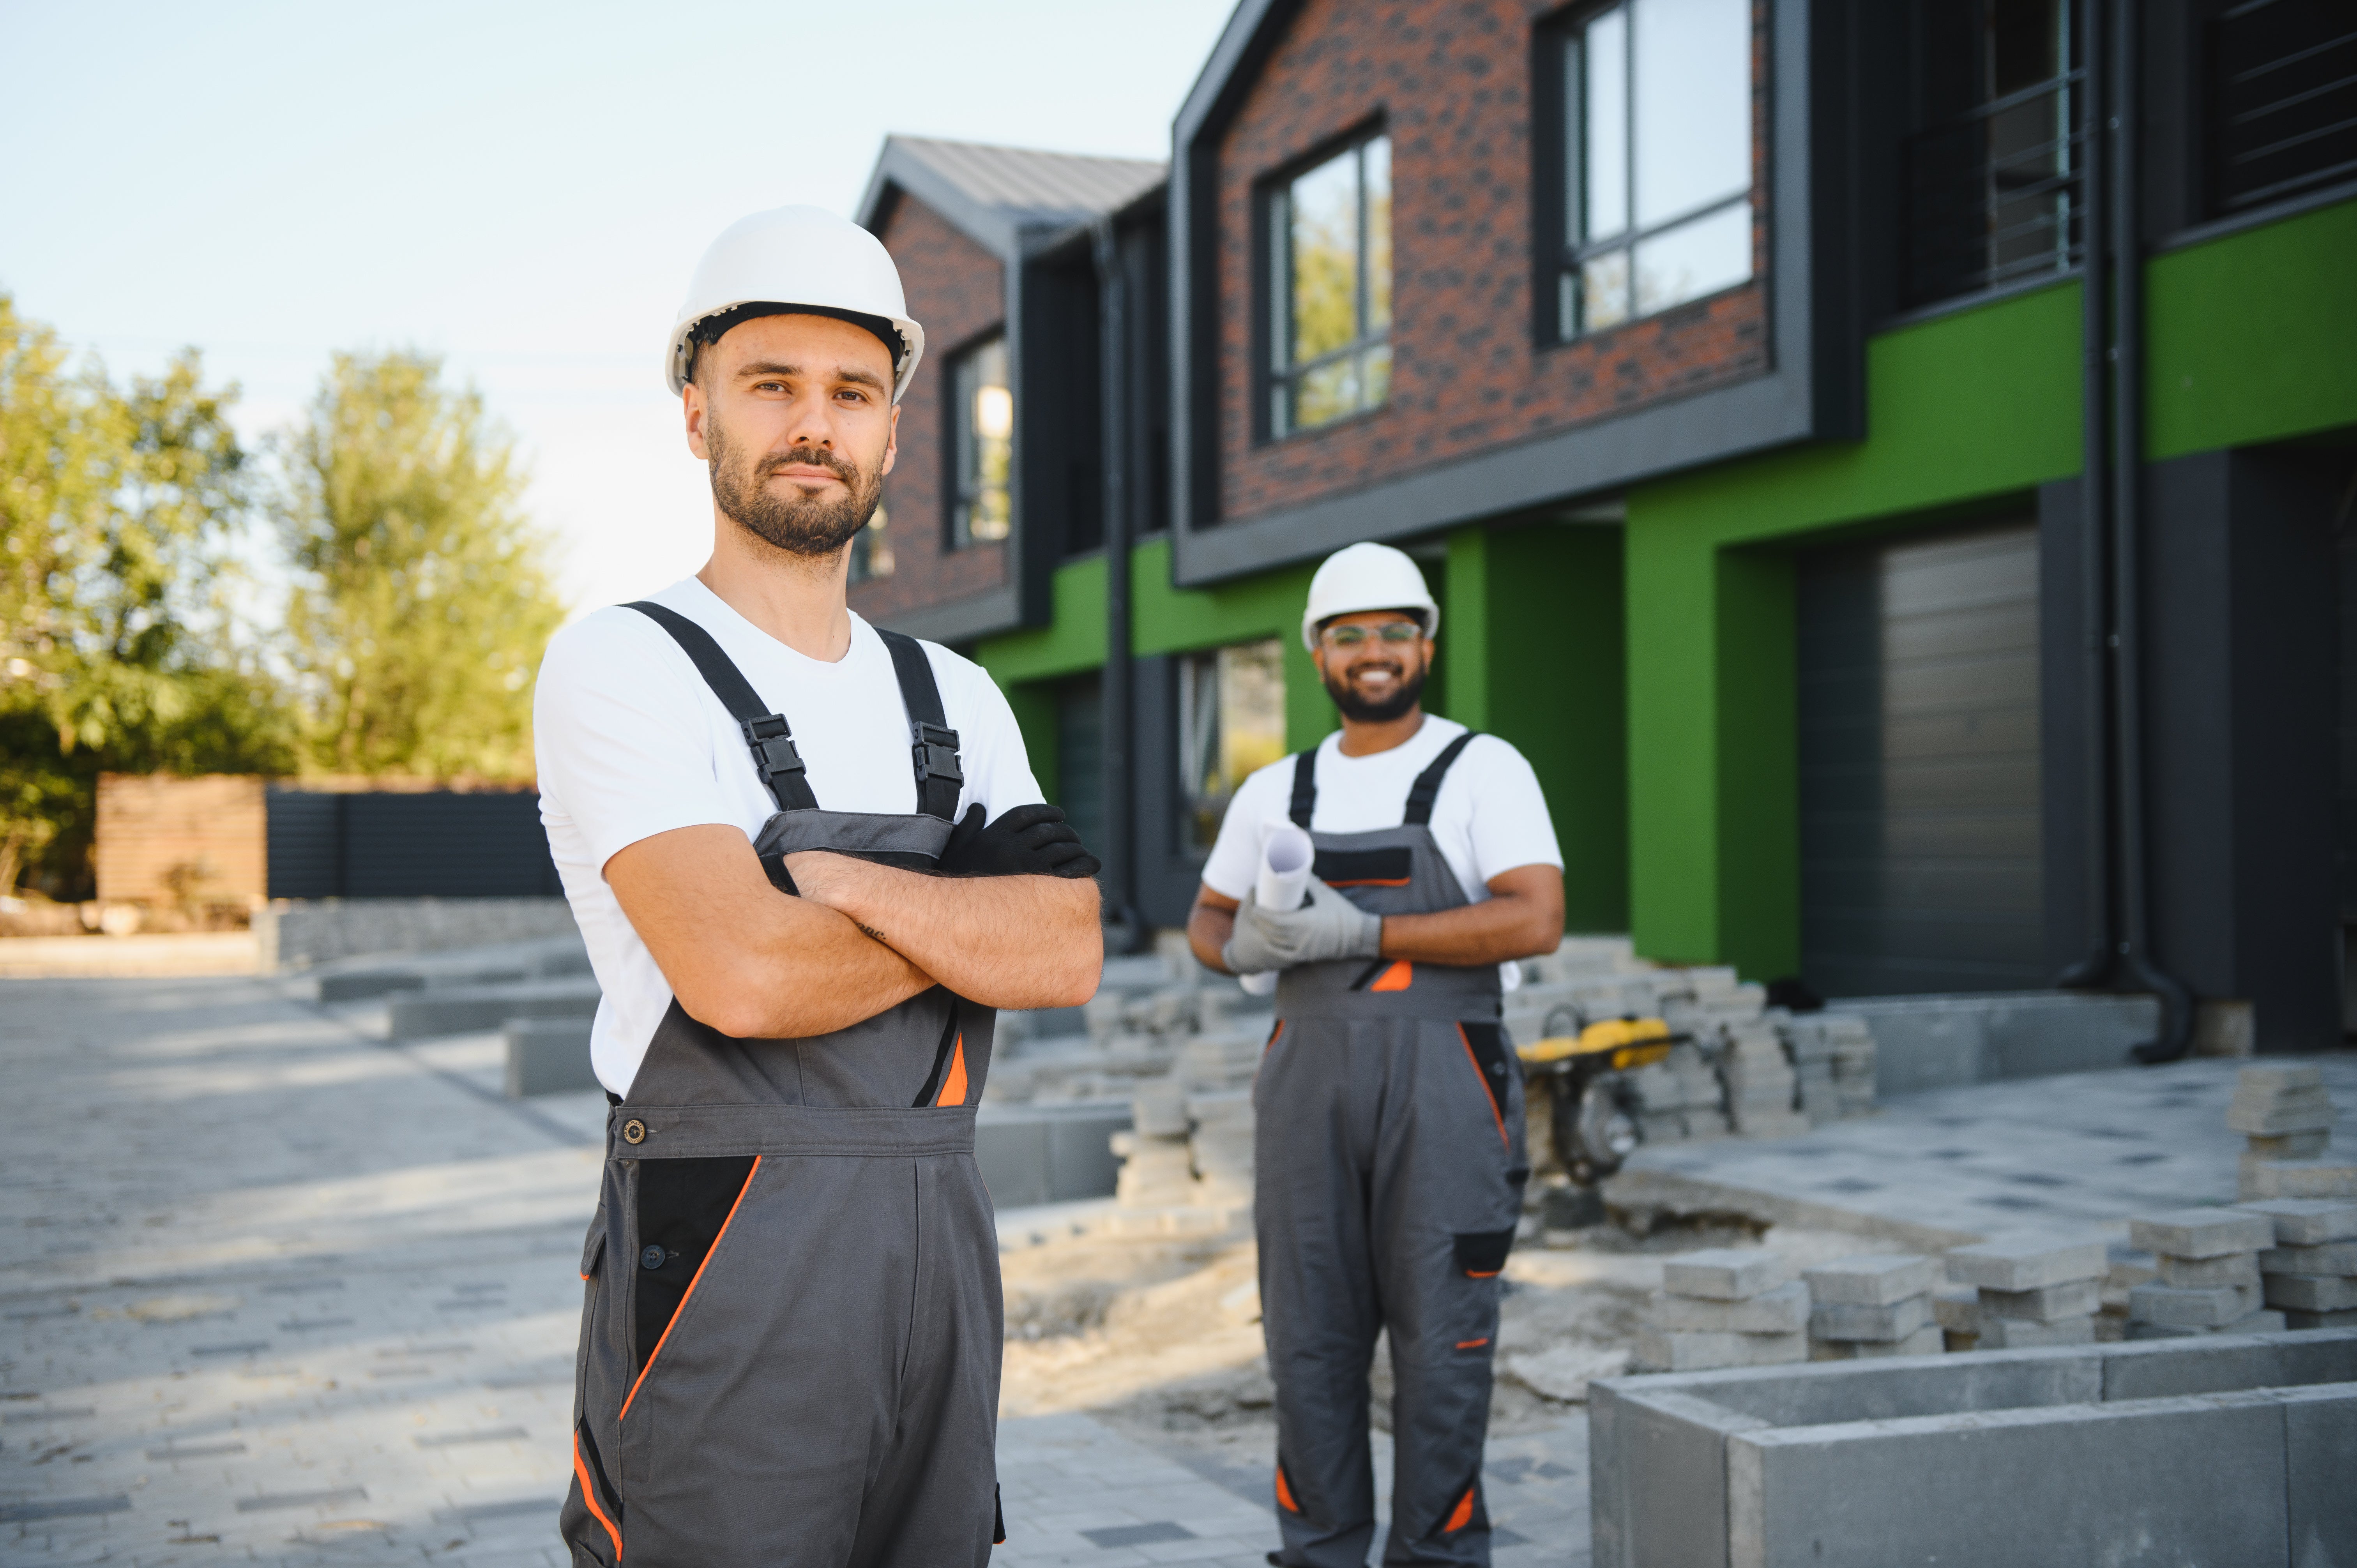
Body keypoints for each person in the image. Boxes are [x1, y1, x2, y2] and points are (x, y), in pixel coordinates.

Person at [534, 205, 1103, 1567]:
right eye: (770, 385)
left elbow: (1069, 949)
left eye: (853, 393)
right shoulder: (625, 664)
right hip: (727, 1256)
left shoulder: (953, 695)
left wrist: (846, 892)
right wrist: (969, 919)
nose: (814, 422)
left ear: (894, 431)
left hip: (941, 1247)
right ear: (697, 415)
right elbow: (745, 976)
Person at [1188, 542, 1565, 1568]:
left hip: (1444, 1084)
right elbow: (1209, 921)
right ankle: (1318, 1553)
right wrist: (1244, 949)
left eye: (1394, 632)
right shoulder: (1277, 789)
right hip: (1305, 1086)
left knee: (1443, 1343)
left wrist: (1369, 935)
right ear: (1318, 657)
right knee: (1308, 1343)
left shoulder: (1483, 769)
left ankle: (1437, 1557)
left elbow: (1536, 917)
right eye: (1349, 635)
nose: (1373, 652)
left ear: (1426, 647)